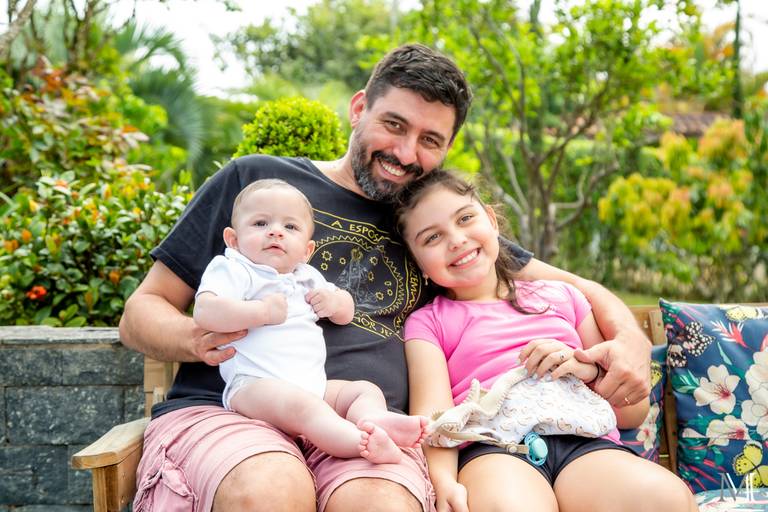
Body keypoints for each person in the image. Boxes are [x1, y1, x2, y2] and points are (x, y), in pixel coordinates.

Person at [120, 43, 654, 512]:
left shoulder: (431, 226)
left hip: (367, 425)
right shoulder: (258, 185)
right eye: (394, 125)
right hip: (234, 409)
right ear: (359, 108)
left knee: (380, 503)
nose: (405, 153)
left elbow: (572, 285)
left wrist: (628, 338)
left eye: (430, 139)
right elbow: (141, 312)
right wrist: (198, 337)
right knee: (268, 487)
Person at [396, 170, 697, 512]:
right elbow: (435, 419)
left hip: (585, 443)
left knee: (665, 498)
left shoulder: (563, 297)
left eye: (465, 218)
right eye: (432, 238)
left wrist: (591, 372)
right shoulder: (428, 322)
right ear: (417, 263)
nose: (457, 239)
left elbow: (633, 412)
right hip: (494, 450)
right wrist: (443, 483)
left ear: (492, 221)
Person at [194, 178, 427, 464]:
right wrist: (260, 312)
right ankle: (361, 442)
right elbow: (205, 311)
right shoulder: (235, 268)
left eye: (290, 227)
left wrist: (335, 302)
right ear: (233, 239)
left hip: (313, 386)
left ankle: (372, 418)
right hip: (253, 386)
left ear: (307, 250)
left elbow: (347, 314)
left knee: (363, 390)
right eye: (260, 224)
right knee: (304, 408)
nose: (276, 233)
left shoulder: (306, 276)